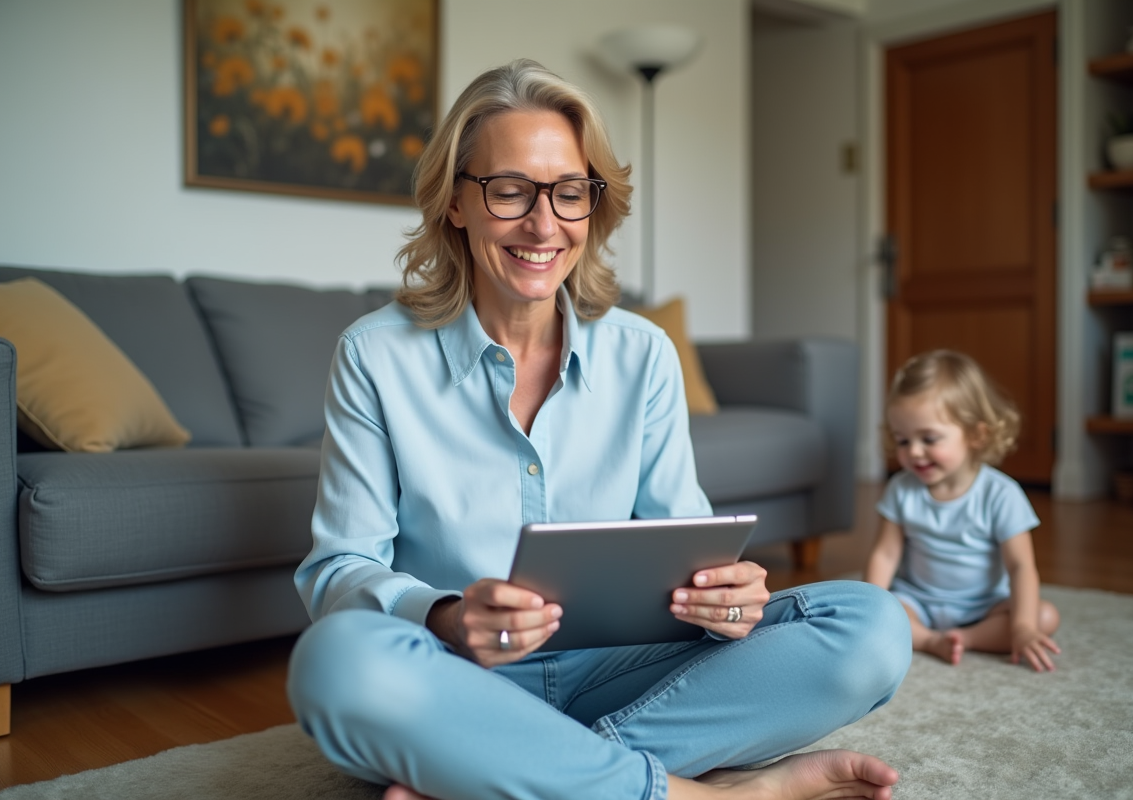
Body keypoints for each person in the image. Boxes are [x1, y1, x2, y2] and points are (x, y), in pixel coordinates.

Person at [286, 58, 911, 800]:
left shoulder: (642, 353)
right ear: (456, 202)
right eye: (510, 189)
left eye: (570, 192)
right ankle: (703, 794)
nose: (544, 223)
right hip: (456, 677)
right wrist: (449, 618)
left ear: (593, 204)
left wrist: (727, 599)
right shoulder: (375, 353)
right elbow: (338, 571)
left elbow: (685, 538)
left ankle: (498, 771)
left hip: (621, 674)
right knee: (335, 660)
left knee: (872, 626)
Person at [864, 350, 1061, 672]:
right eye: (902, 440)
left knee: (1045, 616)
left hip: (985, 607)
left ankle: (967, 638)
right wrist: (870, 608)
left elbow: (1021, 566)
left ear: (975, 434)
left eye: (929, 438)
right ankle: (929, 640)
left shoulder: (1001, 494)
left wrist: (1023, 627)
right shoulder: (901, 489)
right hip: (918, 602)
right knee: (886, 612)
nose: (914, 451)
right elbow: (884, 556)